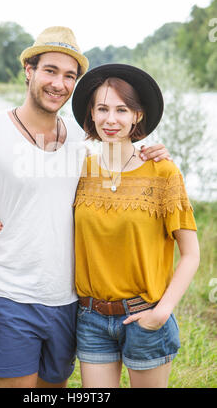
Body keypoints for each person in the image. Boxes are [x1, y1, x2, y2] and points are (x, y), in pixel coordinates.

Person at [0, 27, 171, 389]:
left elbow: (121, 168)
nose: (59, 83)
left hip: (69, 303)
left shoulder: (81, 141)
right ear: (29, 70)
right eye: (50, 71)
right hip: (8, 296)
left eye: (69, 75)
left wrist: (154, 153)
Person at [70, 64, 200, 388]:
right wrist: (1, 221)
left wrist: (161, 312)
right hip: (91, 318)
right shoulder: (77, 170)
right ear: (91, 113)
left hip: (146, 317)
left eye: (121, 109)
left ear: (137, 116)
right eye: (102, 109)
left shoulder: (163, 173)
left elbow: (191, 254)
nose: (110, 119)